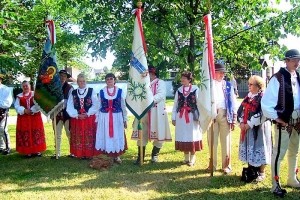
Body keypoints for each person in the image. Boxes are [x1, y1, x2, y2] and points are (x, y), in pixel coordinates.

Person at [261, 49, 300, 198]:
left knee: (294, 152)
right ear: (286, 61)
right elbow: (266, 103)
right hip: (284, 122)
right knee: (279, 154)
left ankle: (292, 178)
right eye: (293, 60)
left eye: (298, 60)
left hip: (298, 122)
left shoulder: (298, 77)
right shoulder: (278, 78)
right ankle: (275, 184)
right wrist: (276, 118)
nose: (297, 62)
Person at [132, 66, 172, 165]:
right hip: (143, 112)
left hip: (156, 112)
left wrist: (148, 101)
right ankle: (140, 156)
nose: (146, 75)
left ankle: (154, 155)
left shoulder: (160, 82)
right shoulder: (142, 84)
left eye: (148, 73)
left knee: (159, 132)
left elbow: (161, 95)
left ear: (153, 74)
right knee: (142, 132)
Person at [238, 75, 272, 182]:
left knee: (260, 148)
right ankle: (251, 170)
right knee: (250, 147)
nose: (249, 86)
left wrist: (249, 124)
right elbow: (240, 111)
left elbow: (262, 114)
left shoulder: (262, 97)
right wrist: (241, 123)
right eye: (249, 84)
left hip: (259, 128)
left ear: (258, 86)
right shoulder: (248, 97)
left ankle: (261, 172)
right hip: (248, 128)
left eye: (251, 84)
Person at [206, 63, 238, 174]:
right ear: (214, 72)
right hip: (212, 115)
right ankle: (212, 164)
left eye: (223, 72)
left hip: (225, 114)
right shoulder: (208, 85)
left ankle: (226, 165)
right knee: (212, 140)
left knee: (226, 140)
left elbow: (233, 101)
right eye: (220, 72)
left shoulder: (228, 85)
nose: (222, 74)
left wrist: (234, 117)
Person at [95, 73, 128, 164]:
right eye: (107, 79)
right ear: (105, 81)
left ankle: (117, 156)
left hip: (116, 117)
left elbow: (123, 106)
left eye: (111, 79)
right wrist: (97, 119)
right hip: (104, 117)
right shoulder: (101, 92)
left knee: (116, 134)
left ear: (114, 80)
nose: (109, 81)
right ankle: (109, 155)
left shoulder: (120, 91)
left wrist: (125, 119)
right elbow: (98, 106)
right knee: (106, 134)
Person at [171, 71, 202, 166]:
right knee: (183, 135)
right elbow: (175, 104)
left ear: (189, 79)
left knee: (192, 135)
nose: (182, 80)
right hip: (181, 117)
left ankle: (192, 158)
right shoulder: (179, 90)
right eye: (182, 78)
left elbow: (199, 104)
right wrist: (173, 117)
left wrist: (200, 117)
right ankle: (186, 158)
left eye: (184, 78)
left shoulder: (195, 89)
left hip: (192, 116)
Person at [66, 73, 99, 159]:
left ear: (86, 81)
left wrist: (88, 113)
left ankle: (89, 154)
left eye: (84, 81)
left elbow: (96, 104)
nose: (82, 83)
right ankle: (80, 153)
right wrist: (76, 115)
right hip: (77, 118)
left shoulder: (91, 91)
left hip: (89, 118)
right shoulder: (73, 92)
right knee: (79, 136)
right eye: (80, 81)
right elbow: (69, 105)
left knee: (89, 135)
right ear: (77, 82)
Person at [14, 80, 46, 157]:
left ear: (30, 86)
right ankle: (28, 151)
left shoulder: (35, 94)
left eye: (26, 85)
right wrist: (24, 110)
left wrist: (32, 110)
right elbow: (16, 106)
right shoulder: (19, 96)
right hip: (24, 118)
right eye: (23, 86)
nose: (25, 87)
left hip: (35, 117)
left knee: (36, 132)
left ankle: (37, 150)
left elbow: (39, 104)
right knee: (26, 133)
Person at [51, 70, 74, 158]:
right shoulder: (53, 87)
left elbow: (71, 101)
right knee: (57, 134)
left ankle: (72, 152)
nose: (62, 78)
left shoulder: (70, 88)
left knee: (69, 133)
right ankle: (57, 152)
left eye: (64, 76)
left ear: (66, 78)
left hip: (66, 113)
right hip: (56, 113)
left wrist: (62, 103)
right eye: (61, 76)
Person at [0, 74, 13, 155]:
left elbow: (7, 103)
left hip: (2, 112)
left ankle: (8, 147)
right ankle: (1, 146)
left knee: (3, 129)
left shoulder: (5, 89)